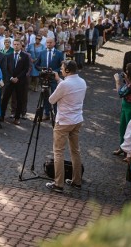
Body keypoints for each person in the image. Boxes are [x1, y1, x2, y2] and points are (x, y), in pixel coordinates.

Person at [45, 60, 86, 193]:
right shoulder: (82, 82)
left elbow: (51, 100)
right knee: (75, 151)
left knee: (58, 152)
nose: (61, 70)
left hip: (63, 122)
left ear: (67, 70)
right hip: (77, 120)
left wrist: (59, 83)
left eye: (62, 68)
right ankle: (77, 181)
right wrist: (59, 80)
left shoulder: (65, 85)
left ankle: (58, 184)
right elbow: (67, 88)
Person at [1, 39, 30, 125]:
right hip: (9, 81)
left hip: (20, 81)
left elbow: (26, 69)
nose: (16, 46)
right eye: (15, 44)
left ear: (21, 46)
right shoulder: (8, 56)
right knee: (5, 99)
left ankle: (17, 118)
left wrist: (18, 77)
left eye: (18, 44)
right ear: (13, 45)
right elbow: (5, 69)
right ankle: (1, 116)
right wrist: (10, 78)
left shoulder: (25, 56)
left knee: (19, 99)